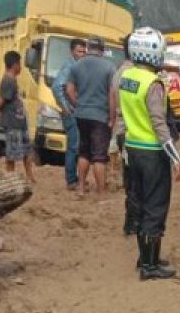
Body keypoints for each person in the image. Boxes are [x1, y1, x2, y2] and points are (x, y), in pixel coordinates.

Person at [118, 27, 180, 280]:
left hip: (132, 149)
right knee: (155, 207)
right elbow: (159, 124)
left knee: (141, 204)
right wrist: (176, 158)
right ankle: (149, 267)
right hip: (152, 153)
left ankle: (147, 257)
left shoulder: (127, 77)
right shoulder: (152, 84)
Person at [66, 37, 116, 197]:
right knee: (99, 156)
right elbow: (112, 95)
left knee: (84, 152)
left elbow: (69, 90)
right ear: (102, 50)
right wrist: (112, 117)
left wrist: (77, 104)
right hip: (100, 116)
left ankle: (80, 188)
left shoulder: (76, 66)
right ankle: (101, 193)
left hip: (81, 115)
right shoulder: (109, 67)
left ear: (88, 48)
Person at [51, 38, 86, 190]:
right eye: (79, 51)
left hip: (76, 112)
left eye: (84, 51)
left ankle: (75, 178)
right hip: (71, 114)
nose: (82, 54)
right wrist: (66, 108)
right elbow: (57, 87)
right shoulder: (70, 66)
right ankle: (71, 180)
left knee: (77, 146)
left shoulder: (77, 66)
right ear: (72, 51)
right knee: (73, 146)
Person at [0, 51, 35, 183]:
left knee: (27, 150)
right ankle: (10, 178)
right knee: (11, 154)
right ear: (14, 65)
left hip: (20, 122)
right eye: (19, 64)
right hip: (12, 122)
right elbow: (0, 102)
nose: (21, 67)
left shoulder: (12, 80)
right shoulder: (8, 81)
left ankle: (30, 176)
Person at [112, 38, 137, 234]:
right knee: (139, 180)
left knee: (129, 178)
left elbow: (112, 103)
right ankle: (134, 222)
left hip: (121, 131)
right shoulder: (137, 75)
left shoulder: (118, 72)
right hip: (135, 133)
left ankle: (130, 221)